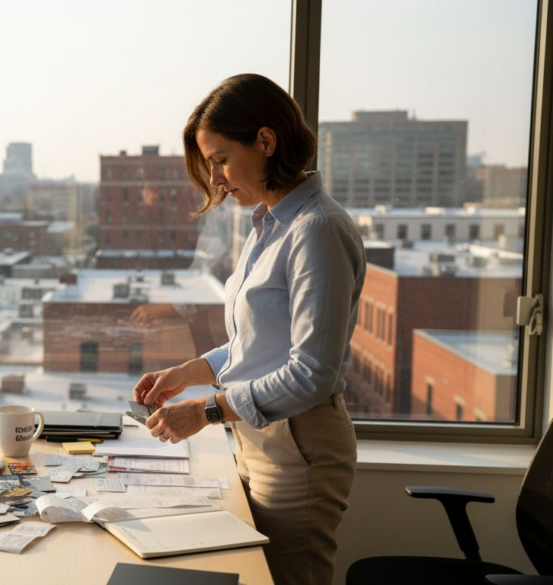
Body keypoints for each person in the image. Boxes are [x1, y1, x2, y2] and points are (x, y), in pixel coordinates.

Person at [132, 73, 365, 585]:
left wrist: (206, 410)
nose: (215, 178)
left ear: (265, 141)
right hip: (260, 438)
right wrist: (187, 372)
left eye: (219, 159)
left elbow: (311, 374)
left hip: (297, 448)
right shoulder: (268, 225)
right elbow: (253, 343)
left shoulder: (316, 230)